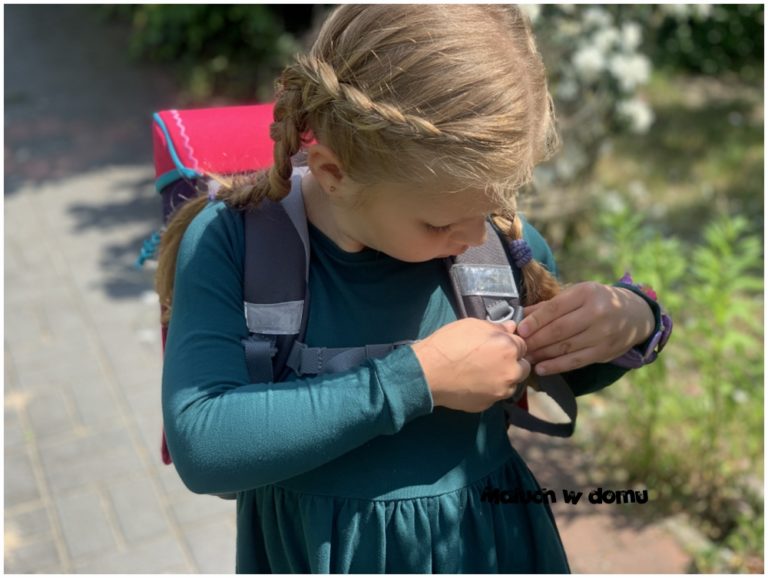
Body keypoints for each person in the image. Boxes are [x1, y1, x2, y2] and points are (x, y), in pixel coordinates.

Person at [157, 5, 667, 573]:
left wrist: (632, 322)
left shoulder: (488, 244)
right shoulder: (235, 242)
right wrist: (418, 379)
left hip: (487, 547)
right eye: (439, 224)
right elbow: (204, 445)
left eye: (493, 206)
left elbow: (557, 366)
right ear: (333, 173)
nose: (474, 237)